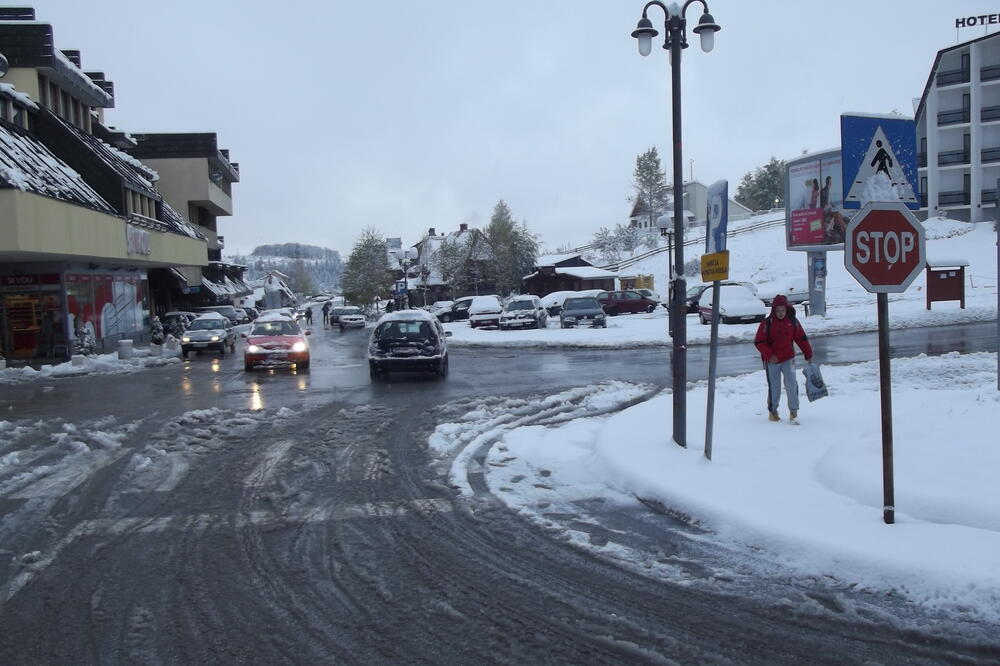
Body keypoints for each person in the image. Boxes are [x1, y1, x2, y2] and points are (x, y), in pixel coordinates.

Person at [754, 294, 813, 424]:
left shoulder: (792, 322)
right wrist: (769, 355)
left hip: (788, 359)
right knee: (774, 387)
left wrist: (808, 354)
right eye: (778, 310)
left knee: (792, 385)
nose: (781, 313)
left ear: (787, 309)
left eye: (783, 310)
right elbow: (759, 342)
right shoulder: (766, 323)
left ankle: (794, 412)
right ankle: (773, 412)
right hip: (772, 361)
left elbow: (801, 338)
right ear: (774, 310)